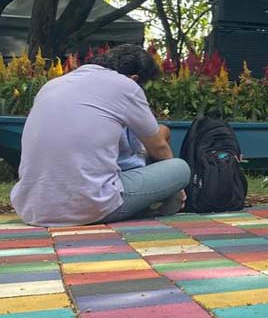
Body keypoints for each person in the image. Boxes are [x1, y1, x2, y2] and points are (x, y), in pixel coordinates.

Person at [11, 44, 189, 227]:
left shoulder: (52, 85)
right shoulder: (126, 85)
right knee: (180, 169)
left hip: (33, 209)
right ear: (134, 78)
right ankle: (161, 208)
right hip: (92, 207)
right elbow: (159, 147)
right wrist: (177, 186)